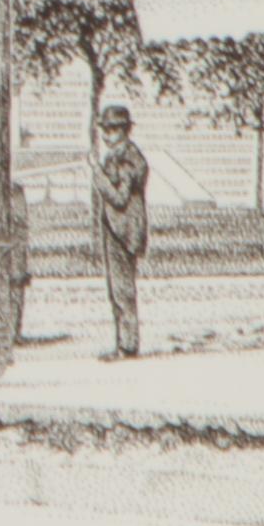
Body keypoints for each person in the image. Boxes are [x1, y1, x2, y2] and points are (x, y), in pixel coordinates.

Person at [90, 99, 150, 358]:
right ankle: (123, 343)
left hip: (124, 231)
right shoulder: (116, 156)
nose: (106, 135)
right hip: (115, 228)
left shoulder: (127, 160)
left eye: (112, 129)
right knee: (116, 290)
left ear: (125, 131)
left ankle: (127, 346)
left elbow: (119, 198)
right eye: (104, 129)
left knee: (123, 290)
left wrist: (97, 174)